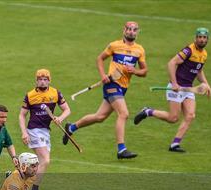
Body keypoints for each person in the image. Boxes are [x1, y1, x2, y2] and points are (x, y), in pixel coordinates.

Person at [63, 21, 148, 159]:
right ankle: (121, 149)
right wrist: (103, 75)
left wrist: (135, 71)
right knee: (124, 113)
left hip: (123, 87)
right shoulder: (114, 45)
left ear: (138, 32)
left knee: (100, 117)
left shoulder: (140, 50)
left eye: (134, 29)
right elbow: (100, 59)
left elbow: (145, 71)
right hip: (112, 84)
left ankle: (71, 127)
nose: (132, 32)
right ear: (124, 30)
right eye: (129, 29)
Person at [134, 28, 211, 153]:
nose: (202, 39)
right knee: (173, 118)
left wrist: (206, 84)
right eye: (200, 37)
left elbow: (198, 70)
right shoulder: (188, 50)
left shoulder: (204, 54)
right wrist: (174, 83)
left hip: (188, 89)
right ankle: (147, 111)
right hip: (176, 88)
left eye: (204, 37)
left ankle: (175, 144)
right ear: (195, 38)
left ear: (207, 39)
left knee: (190, 115)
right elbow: (171, 63)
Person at [19, 69, 70, 190]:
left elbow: (67, 110)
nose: (42, 81)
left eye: (45, 79)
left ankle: (18, 180)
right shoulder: (30, 95)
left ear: (49, 80)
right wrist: (24, 132)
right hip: (34, 130)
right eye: (40, 79)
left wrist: (60, 118)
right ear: (36, 81)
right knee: (45, 160)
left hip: (46, 131)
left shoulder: (55, 93)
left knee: (38, 163)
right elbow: (22, 115)